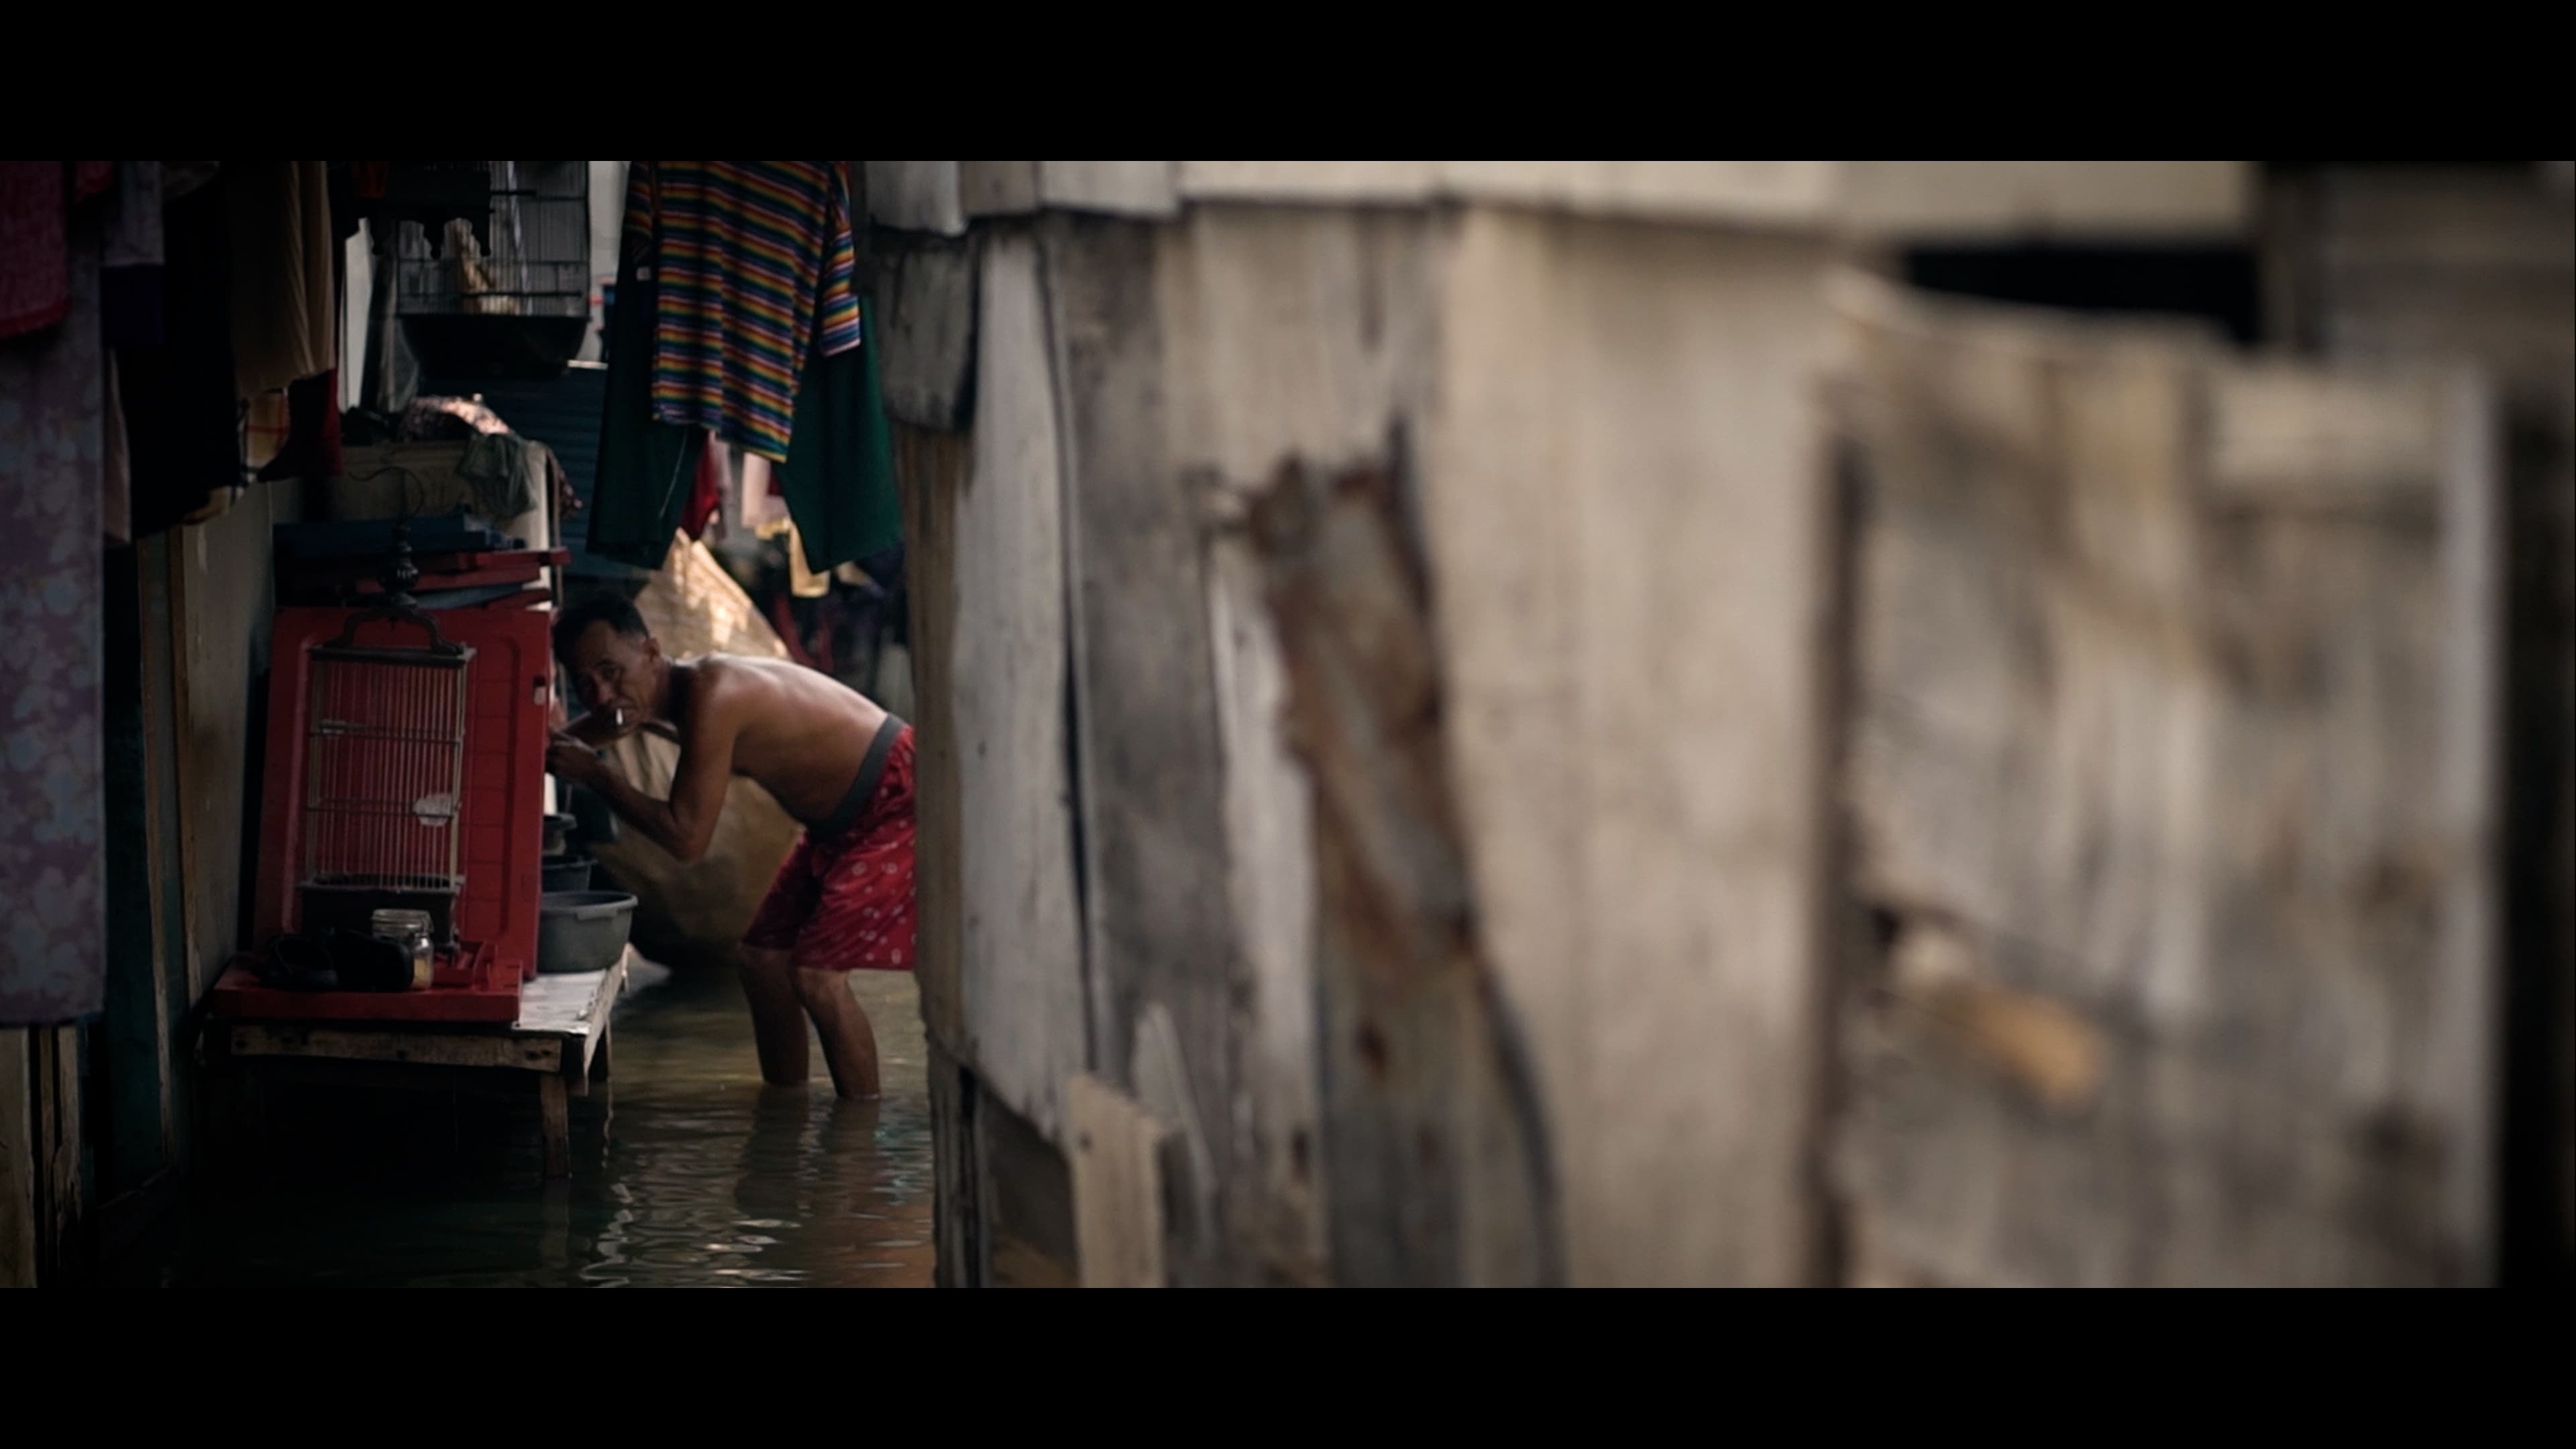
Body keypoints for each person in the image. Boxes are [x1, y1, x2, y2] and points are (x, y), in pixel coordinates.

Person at [547, 592, 914, 1100]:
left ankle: (857, 1136)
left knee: (816, 977)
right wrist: (549, 745)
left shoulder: (711, 694)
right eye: (585, 683)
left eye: (611, 672)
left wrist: (596, 776)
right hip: (836, 826)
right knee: (761, 960)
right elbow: (598, 729)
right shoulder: (653, 696)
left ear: (652, 652)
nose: (602, 694)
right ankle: (785, 1115)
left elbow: (686, 839)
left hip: (897, 799)